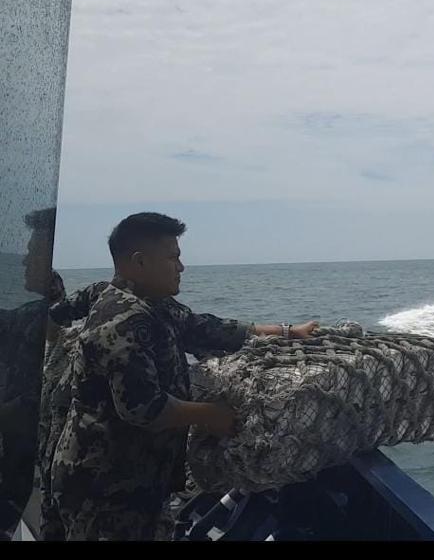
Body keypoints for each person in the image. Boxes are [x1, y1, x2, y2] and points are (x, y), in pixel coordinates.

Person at [49, 212, 319, 540]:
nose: (181, 266)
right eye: (173, 257)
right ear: (140, 262)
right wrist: (210, 415)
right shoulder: (120, 320)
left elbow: (206, 328)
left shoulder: (153, 305)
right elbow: (143, 408)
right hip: (104, 489)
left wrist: (288, 332)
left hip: (138, 479)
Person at [0, 208, 64, 540]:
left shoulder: (57, 320)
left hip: (35, 464)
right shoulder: (28, 317)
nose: (24, 261)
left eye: (31, 252)